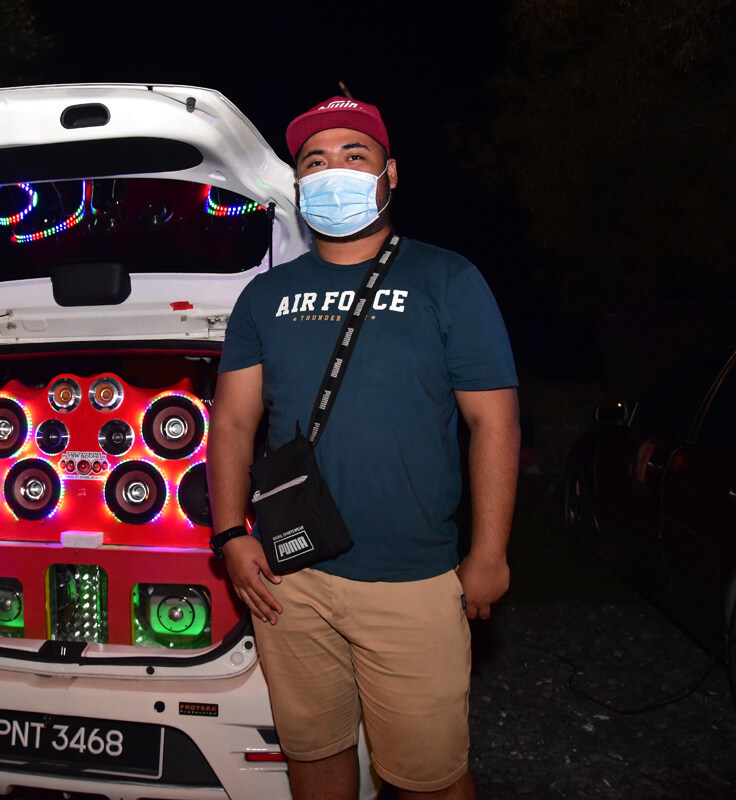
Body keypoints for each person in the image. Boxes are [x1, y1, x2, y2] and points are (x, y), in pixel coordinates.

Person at [206, 96, 520, 800]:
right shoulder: (264, 296)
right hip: (290, 579)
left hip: (413, 582)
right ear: (298, 184)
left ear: (390, 174)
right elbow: (231, 424)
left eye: (354, 155)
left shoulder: (448, 280)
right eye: (315, 161)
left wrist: (489, 554)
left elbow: (495, 424)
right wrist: (229, 533)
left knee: (430, 778)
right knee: (313, 755)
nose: (333, 171)